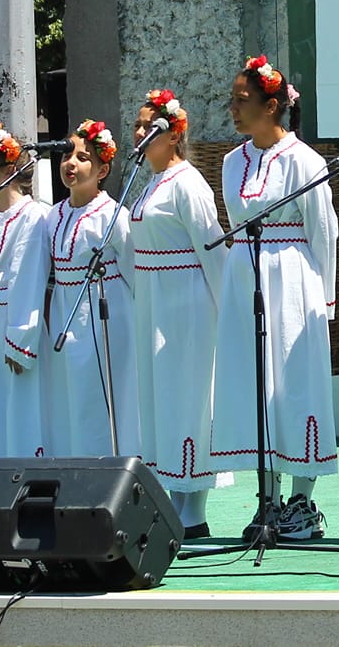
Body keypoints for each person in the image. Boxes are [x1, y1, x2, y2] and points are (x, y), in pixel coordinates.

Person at [211, 59, 338, 540]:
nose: (234, 110)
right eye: (234, 100)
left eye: (242, 101)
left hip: (294, 278)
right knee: (255, 383)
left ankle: (302, 502)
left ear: (272, 106)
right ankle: (267, 498)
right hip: (247, 276)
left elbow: (323, 232)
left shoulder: (305, 161)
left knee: (295, 384)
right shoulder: (231, 162)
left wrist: (323, 300)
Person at [123, 89, 230, 536]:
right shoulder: (149, 183)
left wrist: (228, 315)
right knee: (161, 401)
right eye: (139, 125)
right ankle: (173, 499)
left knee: (189, 399)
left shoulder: (188, 183)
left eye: (152, 127)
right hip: (154, 304)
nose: (142, 133)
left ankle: (195, 510)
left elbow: (214, 251)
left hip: (187, 305)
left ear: (174, 134)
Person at [42, 120, 142, 462]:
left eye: (83, 157)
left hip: (105, 318)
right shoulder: (51, 216)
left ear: (103, 170)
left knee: (102, 400)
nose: (71, 163)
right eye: (67, 155)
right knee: (69, 401)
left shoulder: (113, 215)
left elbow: (134, 273)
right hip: (63, 316)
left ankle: (111, 471)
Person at [0, 123, 49, 459]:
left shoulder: (33, 215)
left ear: (10, 168)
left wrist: (20, 339)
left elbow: (28, 275)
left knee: (22, 412)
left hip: (16, 325)